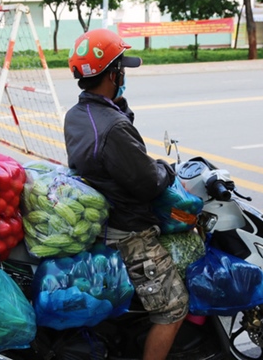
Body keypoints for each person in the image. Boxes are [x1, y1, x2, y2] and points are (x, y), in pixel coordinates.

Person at [63, 28, 189, 360]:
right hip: (127, 234)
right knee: (173, 307)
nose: (124, 74)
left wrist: (119, 107)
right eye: (121, 68)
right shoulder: (114, 128)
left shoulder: (78, 115)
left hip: (100, 217)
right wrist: (167, 167)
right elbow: (148, 181)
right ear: (112, 73)